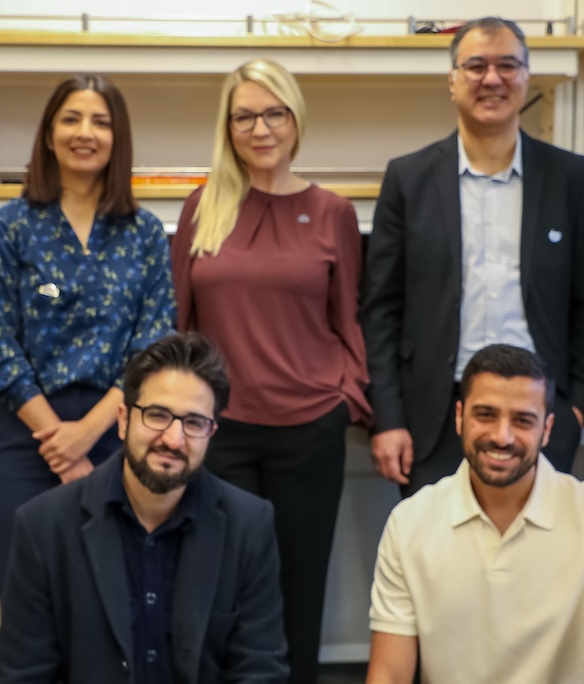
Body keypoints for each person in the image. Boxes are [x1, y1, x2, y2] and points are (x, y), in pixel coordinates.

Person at [171, 58, 371, 684]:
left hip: (309, 428)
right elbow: (180, 322)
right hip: (219, 429)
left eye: (273, 113)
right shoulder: (203, 209)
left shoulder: (332, 212)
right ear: (228, 129)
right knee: (217, 584)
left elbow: (350, 321)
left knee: (299, 588)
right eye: (244, 116)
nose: (260, 128)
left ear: (294, 119)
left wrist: (347, 397)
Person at [362, 17, 584, 496]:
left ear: (526, 77)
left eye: (507, 65)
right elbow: (380, 312)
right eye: (475, 66)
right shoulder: (407, 179)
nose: (491, 79)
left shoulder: (570, 177)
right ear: (452, 81)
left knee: (536, 560)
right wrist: (387, 418)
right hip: (434, 417)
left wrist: (575, 409)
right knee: (439, 561)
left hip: (540, 414)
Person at [0, 333, 289, 683]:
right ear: (123, 420)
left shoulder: (249, 525)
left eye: (194, 423)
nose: (173, 439)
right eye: (157, 415)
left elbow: (259, 671)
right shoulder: (42, 526)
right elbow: (25, 675)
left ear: (211, 433)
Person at [366, 344, 584, 684]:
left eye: (522, 420)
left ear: (546, 430)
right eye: (486, 415)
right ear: (459, 417)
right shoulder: (409, 522)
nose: (502, 437)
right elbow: (388, 674)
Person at [0, 74, 175, 591]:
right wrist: (57, 437)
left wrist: (87, 434)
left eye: (101, 122)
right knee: (23, 587)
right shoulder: (12, 225)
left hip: (119, 432)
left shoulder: (143, 233)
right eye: (72, 118)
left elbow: (154, 342)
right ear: (49, 134)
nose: (86, 132)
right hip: (27, 431)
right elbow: (1, 340)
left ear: (117, 138)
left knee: (113, 586)